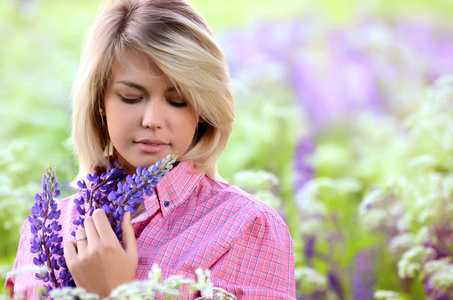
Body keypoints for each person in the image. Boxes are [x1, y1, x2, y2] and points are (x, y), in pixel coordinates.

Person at [5, 0, 296, 298]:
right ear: (99, 103)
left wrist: (113, 294)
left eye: (178, 100)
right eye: (131, 97)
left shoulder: (247, 228)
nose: (152, 120)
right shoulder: (43, 230)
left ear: (203, 110)